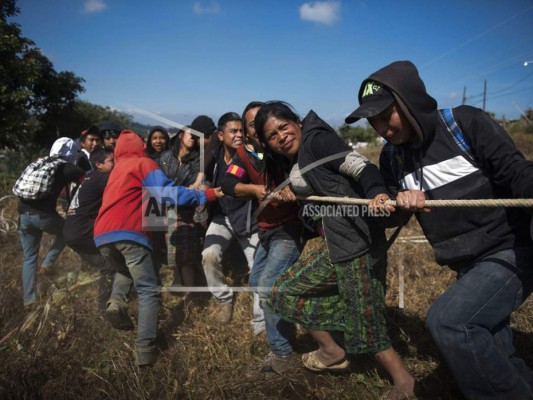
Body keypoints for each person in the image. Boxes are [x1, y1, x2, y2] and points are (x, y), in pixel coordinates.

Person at [345, 60, 533, 400]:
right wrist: (388, 203)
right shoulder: (392, 158)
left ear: (409, 100)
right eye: (373, 121)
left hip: (510, 250)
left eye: (387, 114)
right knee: (495, 349)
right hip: (465, 266)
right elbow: (390, 216)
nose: (381, 127)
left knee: (450, 322)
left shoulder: (464, 124)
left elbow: (516, 172)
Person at [255, 101, 416, 398]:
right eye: (272, 136)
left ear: (297, 122)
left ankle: (404, 383)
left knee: (363, 317)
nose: (281, 136)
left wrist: (377, 193)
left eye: (283, 126)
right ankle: (332, 349)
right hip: (339, 242)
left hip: (357, 243)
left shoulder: (317, 140)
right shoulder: (299, 156)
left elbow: (362, 167)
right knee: (283, 291)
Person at [94, 130, 221, 367]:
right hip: (128, 232)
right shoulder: (144, 162)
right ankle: (145, 352)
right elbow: (168, 195)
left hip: (102, 235)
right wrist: (207, 195)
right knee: (149, 291)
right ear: (141, 147)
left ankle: (117, 303)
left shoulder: (117, 169)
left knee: (124, 271)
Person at [222, 101, 304, 361]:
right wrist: (254, 190)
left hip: (288, 230)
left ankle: (282, 352)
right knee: (257, 282)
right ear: (247, 132)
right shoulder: (245, 156)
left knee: (268, 286)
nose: (259, 127)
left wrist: (294, 187)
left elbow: (304, 175)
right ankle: (289, 327)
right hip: (267, 231)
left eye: (262, 120)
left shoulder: (280, 150)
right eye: (252, 123)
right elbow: (227, 181)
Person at [201, 112, 262, 329]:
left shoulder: (250, 154)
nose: (238, 135)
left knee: (258, 267)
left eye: (241, 131)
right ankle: (223, 300)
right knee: (209, 255)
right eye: (233, 131)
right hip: (223, 217)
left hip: (248, 219)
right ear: (220, 135)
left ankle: (261, 323)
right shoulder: (214, 156)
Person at [16, 137, 85, 308]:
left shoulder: (39, 162)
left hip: (23, 215)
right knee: (65, 233)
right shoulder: (67, 167)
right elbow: (86, 179)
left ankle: (29, 299)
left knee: (29, 257)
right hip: (43, 216)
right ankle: (47, 265)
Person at [63, 148, 116, 315]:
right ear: (99, 165)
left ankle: (107, 304)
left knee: (108, 264)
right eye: (112, 161)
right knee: (115, 260)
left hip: (71, 231)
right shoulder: (103, 178)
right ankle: (105, 307)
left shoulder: (89, 176)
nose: (115, 164)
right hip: (83, 230)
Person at [160, 126, 205, 287]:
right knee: (173, 252)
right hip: (167, 207)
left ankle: (193, 289)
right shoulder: (166, 157)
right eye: (190, 135)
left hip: (187, 209)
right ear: (180, 135)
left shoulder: (197, 159)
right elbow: (160, 182)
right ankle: (180, 282)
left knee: (189, 253)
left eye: (195, 136)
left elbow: (194, 186)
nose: (193, 138)